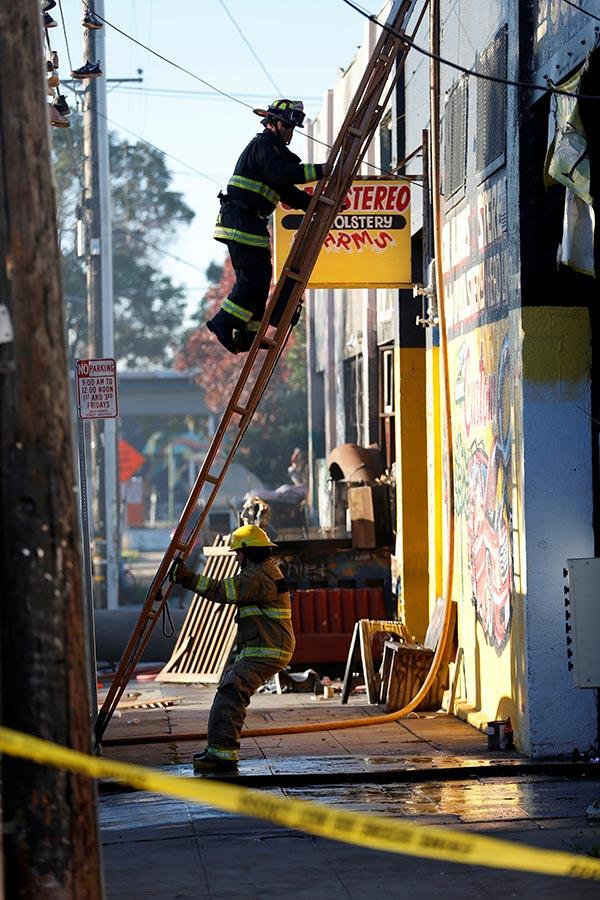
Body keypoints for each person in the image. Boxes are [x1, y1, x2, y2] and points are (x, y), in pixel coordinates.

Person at [207, 99, 332, 353]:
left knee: (260, 280)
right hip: (241, 221)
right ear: (272, 123)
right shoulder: (264, 146)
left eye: (292, 127)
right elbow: (282, 174)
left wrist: (316, 206)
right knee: (254, 279)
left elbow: (286, 192)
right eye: (286, 125)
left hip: (249, 223)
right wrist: (323, 170)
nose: (290, 132)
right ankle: (222, 323)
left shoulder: (275, 153)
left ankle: (247, 335)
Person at [169, 524, 295, 773]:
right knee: (230, 689)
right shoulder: (262, 571)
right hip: (265, 647)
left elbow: (221, 591)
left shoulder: (259, 576)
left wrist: (186, 578)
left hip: (267, 649)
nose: (236, 558)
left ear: (249, 552)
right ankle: (219, 750)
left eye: (238, 553)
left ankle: (222, 755)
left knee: (231, 690)